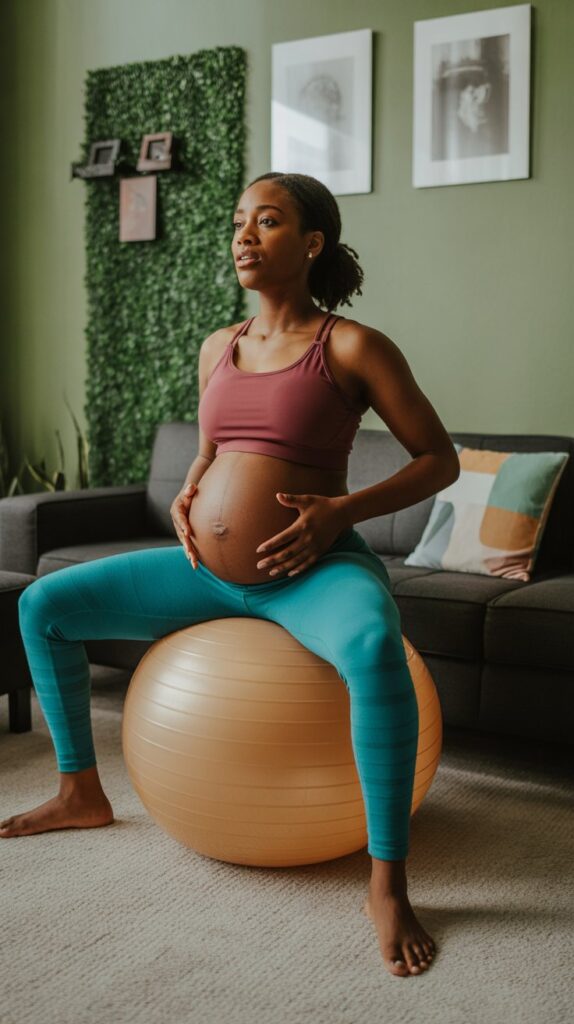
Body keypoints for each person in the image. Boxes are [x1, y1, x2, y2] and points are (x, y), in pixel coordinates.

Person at [1, 171, 459, 978]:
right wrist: (190, 491)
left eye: (269, 221)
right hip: (205, 573)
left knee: (375, 650)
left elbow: (438, 461)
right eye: (240, 221)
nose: (245, 234)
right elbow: (215, 449)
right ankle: (82, 791)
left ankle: (387, 882)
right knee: (42, 605)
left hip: (310, 572)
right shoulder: (221, 344)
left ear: (310, 243)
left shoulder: (349, 346)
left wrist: (337, 514)